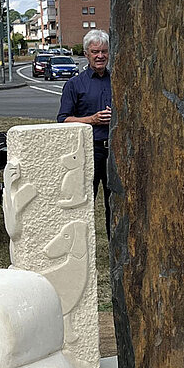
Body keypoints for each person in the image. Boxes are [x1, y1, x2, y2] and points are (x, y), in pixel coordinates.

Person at [58, 29, 112, 235]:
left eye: (104, 51)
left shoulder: (118, 80)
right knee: (86, 203)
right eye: (95, 51)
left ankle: (115, 249)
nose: (100, 56)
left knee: (115, 204)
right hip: (90, 151)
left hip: (115, 151)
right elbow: (63, 119)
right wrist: (91, 120)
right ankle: (82, 251)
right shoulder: (74, 85)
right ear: (86, 54)